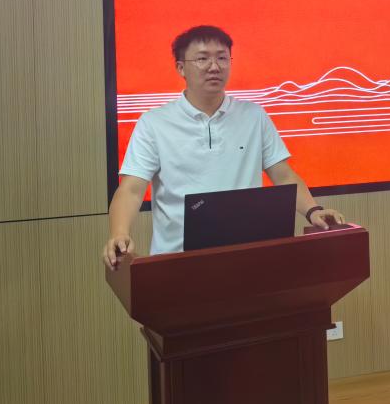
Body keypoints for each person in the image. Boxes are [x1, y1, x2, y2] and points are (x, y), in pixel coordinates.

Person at [103, 24, 345, 269]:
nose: (214, 67)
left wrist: (313, 210)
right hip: (178, 262)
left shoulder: (253, 116)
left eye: (222, 58)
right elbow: (131, 190)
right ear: (180, 68)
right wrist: (119, 233)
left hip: (246, 256)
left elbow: (283, 175)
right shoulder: (154, 123)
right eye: (202, 59)